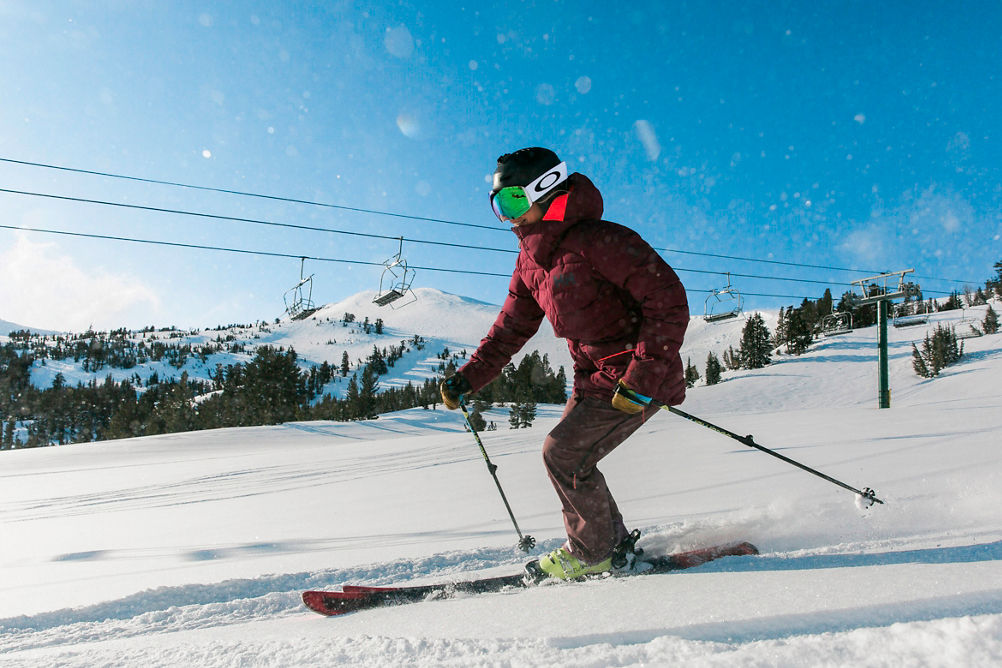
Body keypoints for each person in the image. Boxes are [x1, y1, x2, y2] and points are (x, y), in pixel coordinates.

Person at [440, 147, 689, 580]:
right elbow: (509, 330)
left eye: (515, 202)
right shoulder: (531, 261)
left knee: (565, 453)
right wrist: (469, 378)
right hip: (593, 378)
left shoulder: (600, 240)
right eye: (499, 205)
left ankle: (594, 553)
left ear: (546, 189)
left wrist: (643, 377)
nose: (508, 216)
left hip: (637, 376)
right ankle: (607, 547)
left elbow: (668, 301)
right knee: (571, 459)